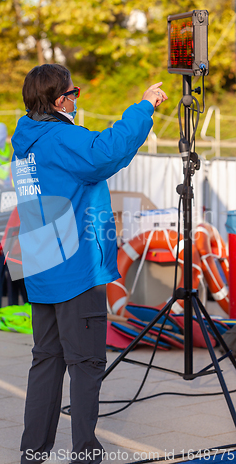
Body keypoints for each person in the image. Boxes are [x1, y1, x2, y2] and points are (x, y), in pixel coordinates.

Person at [11, 64, 167, 464]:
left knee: (46, 361)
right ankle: (85, 453)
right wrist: (144, 107)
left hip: (43, 267)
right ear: (59, 99)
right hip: (76, 268)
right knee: (86, 364)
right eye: (73, 92)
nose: (76, 99)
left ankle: (33, 452)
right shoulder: (60, 138)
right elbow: (106, 153)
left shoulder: (25, 140)